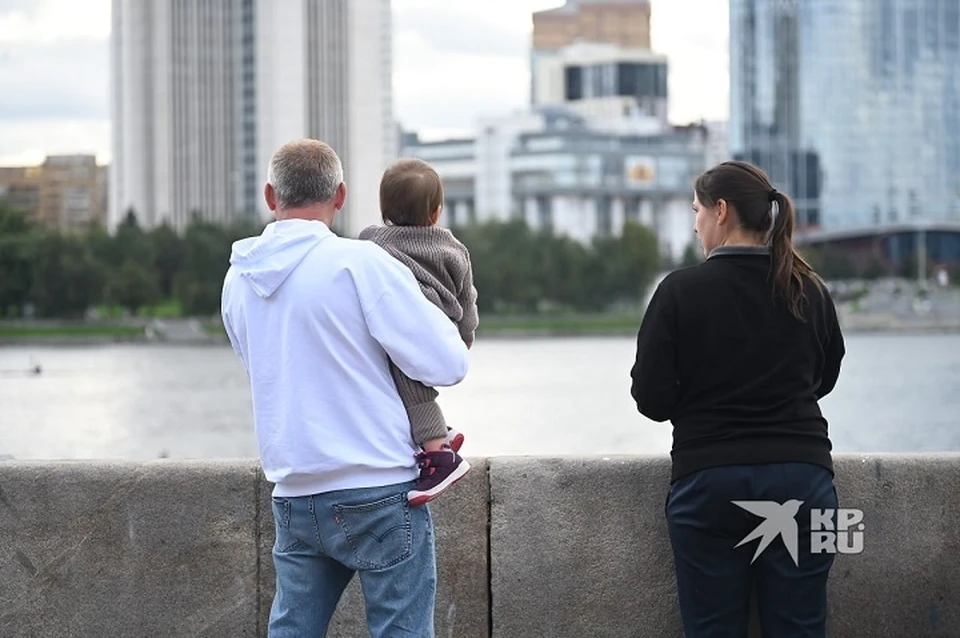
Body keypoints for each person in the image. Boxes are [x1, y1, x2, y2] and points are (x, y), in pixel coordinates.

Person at [220, 139, 469, 637]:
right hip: (378, 487)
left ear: (270, 196)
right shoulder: (361, 264)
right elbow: (448, 364)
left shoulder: (238, 279)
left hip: (294, 492)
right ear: (340, 195)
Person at [630, 160, 845, 637]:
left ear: (721, 211)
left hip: (709, 485)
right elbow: (825, 377)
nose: (695, 224)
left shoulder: (679, 291)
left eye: (697, 211)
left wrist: (699, 402)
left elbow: (650, 398)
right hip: (804, 483)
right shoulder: (809, 289)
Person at [358, 158, 478, 507]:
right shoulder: (454, 248)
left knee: (408, 386)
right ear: (437, 212)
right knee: (415, 388)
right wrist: (466, 335)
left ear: (383, 209)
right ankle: (436, 432)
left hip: (408, 328)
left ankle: (439, 455)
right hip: (446, 329)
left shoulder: (372, 241)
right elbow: (467, 298)